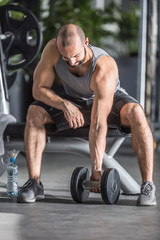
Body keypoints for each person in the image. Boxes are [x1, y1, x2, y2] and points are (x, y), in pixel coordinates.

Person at [17, 24, 156, 206]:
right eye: (66, 58)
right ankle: (34, 182)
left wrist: (96, 169)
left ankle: (148, 185)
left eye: (76, 56)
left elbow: (98, 123)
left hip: (109, 100)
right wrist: (64, 104)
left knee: (136, 112)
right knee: (34, 112)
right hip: (72, 101)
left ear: (86, 42)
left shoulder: (103, 67)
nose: (72, 62)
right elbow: (38, 90)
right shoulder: (52, 50)